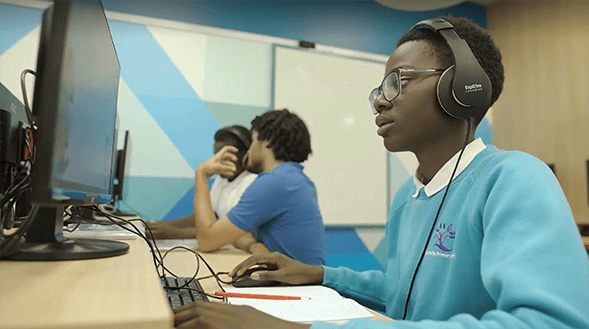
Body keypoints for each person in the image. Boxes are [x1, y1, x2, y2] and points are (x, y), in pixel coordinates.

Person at [173, 16, 589, 329]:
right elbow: (404, 295)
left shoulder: (513, 179)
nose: (379, 102)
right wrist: (321, 275)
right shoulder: (410, 196)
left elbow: (553, 322)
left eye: (397, 82)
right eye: (379, 90)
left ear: (459, 88)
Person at [191, 109, 326, 266]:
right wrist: (254, 245)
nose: (249, 150)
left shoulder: (274, 182)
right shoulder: (293, 179)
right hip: (298, 283)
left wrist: (201, 174)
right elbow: (235, 233)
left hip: (300, 289)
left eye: (253, 141)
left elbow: (207, 241)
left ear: (267, 142)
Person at [146, 125, 268, 255]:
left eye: (225, 156)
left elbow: (226, 231)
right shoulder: (222, 179)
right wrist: (164, 226)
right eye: (216, 155)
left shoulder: (253, 182)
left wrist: (174, 233)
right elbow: (205, 216)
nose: (217, 160)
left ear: (245, 154)